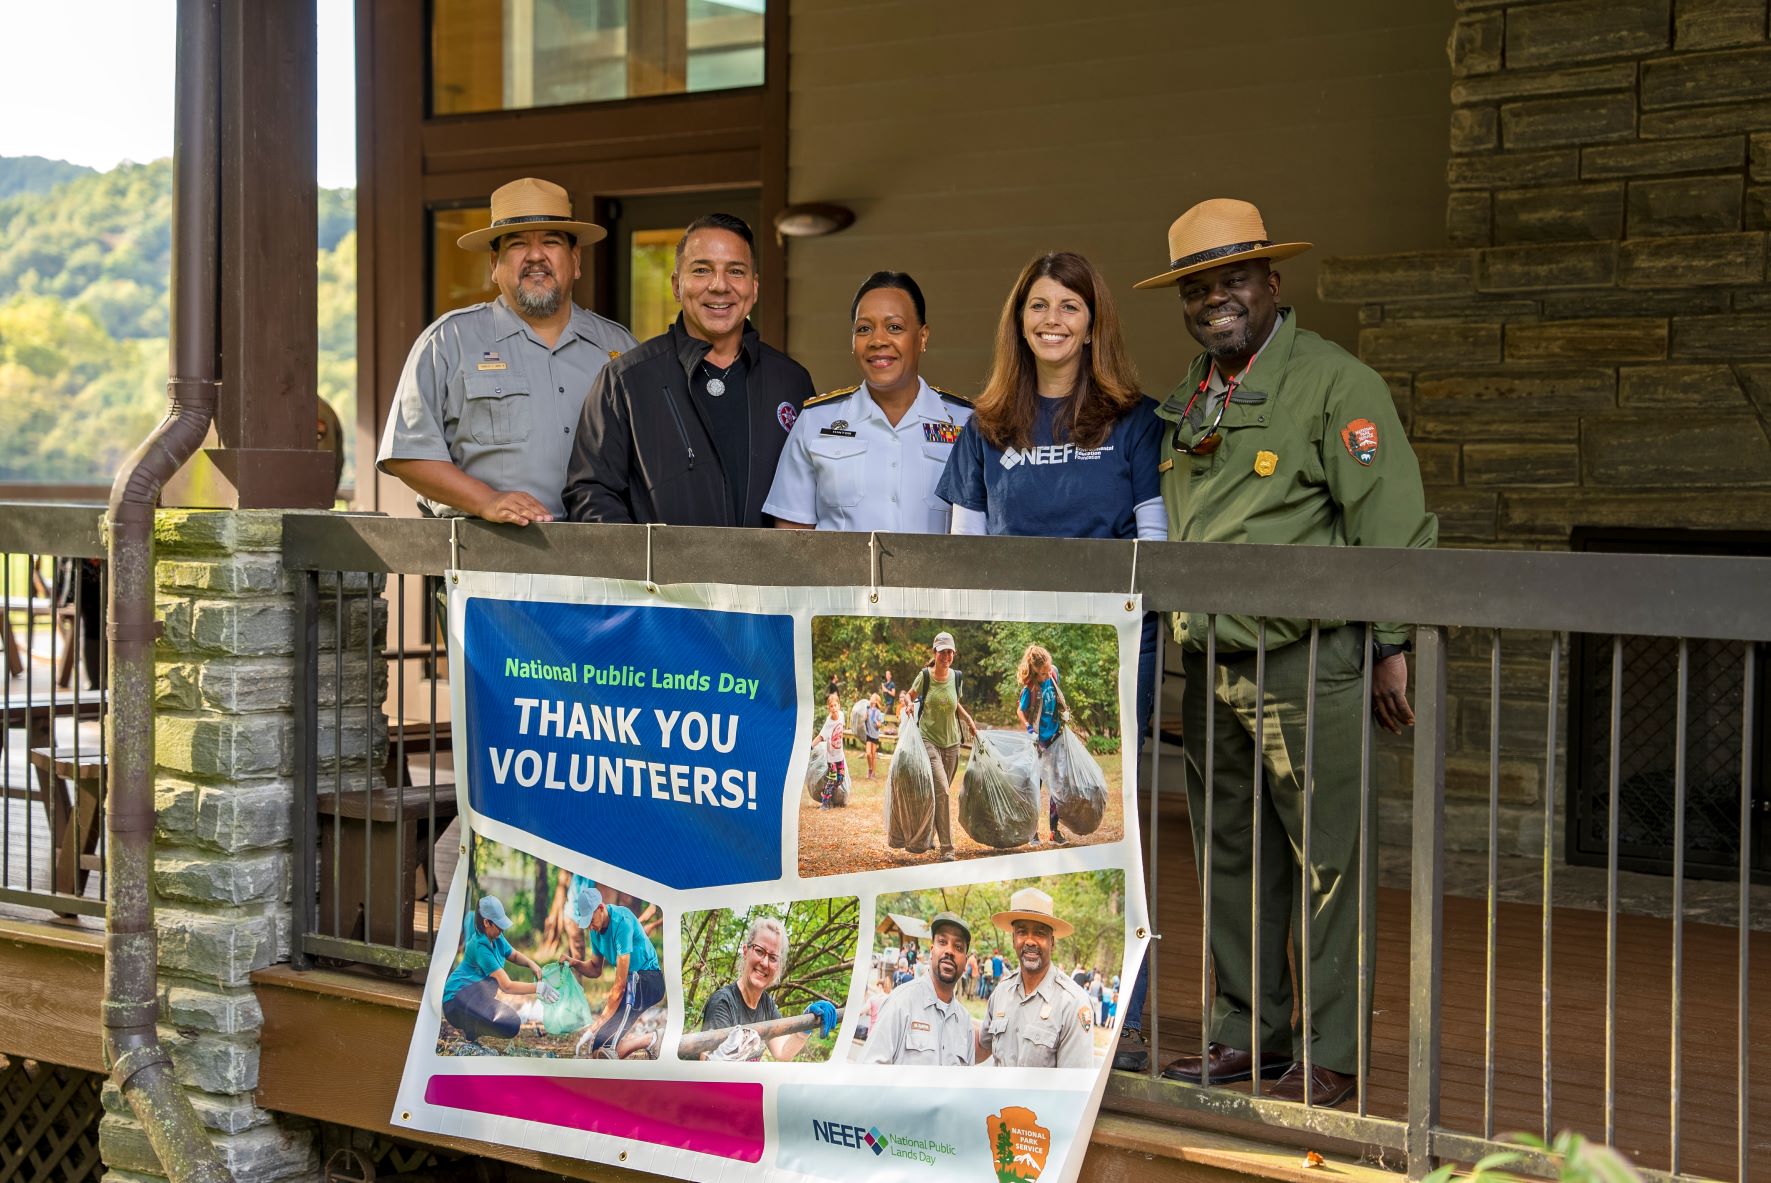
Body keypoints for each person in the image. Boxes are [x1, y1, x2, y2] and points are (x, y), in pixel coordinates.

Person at [1136, 198, 1437, 1107]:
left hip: (1307, 664)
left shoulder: (1336, 383)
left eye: (1231, 279)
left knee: (1327, 862)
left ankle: (1331, 1052)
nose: (1213, 299)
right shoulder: (1191, 393)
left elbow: (1388, 523)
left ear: (1272, 281)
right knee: (1228, 855)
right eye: (1196, 287)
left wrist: (1390, 646)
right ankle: (1246, 1034)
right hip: (1212, 661)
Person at [935, 250, 1164, 752]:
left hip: (1115, 632)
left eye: (1070, 306)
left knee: (1120, 788)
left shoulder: (1138, 420)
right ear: (1019, 323)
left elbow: (1155, 545)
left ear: (1091, 326)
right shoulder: (984, 426)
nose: (1052, 320)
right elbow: (964, 556)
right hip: (1018, 629)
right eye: (1038, 306)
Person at [377, 177, 636, 525]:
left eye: (551, 241)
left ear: (576, 259)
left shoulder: (619, 348)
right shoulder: (448, 340)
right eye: (516, 244)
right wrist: (487, 500)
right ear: (494, 264)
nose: (535, 256)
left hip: (599, 565)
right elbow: (406, 454)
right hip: (488, 563)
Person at [563, 212, 814, 526]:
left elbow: (810, 496)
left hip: (767, 575)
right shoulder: (626, 380)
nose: (719, 285)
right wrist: (644, 568)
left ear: (754, 287)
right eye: (702, 270)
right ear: (676, 286)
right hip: (660, 576)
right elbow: (592, 493)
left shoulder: (791, 381)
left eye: (735, 271)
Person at [764, 272, 973, 532]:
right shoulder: (815, 422)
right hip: (838, 575)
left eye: (894, 327)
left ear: (922, 337)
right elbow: (792, 535)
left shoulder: (966, 424)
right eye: (864, 329)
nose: (878, 340)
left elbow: (982, 533)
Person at [977, 888, 1094, 1069]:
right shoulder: (1001, 992)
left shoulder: (1072, 1003)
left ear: (1052, 942)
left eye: (1039, 933)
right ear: (1013, 939)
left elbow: (1073, 1085)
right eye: (1022, 932)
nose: (1030, 941)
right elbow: (984, 1046)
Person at [700, 916, 837, 1062]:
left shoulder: (766, 1005)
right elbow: (707, 1065)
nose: (765, 963)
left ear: (778, 966)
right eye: (759, 951)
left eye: (773, 958)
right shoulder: (723, 1002)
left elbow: (782, 1051)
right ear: (746, 952)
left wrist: (806, 1024)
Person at [859, 912, 975, 1066]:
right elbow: (869, 1070)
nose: (949, 951)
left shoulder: (964, 1021)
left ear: (965, 961)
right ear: (932, 950)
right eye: (942, 941)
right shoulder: (900, 1002)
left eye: (958, 946)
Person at [441, 894, 556, 1044]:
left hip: (473, 997)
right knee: (505, 1017)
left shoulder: (496, 937)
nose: (502, 929)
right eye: (499, 925)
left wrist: (531, 963)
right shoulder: (480, 946)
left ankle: (471, 1034)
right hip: (455, 1001)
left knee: (511, 1023)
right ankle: (470, 1030)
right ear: (487, 923)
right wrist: (539, 988)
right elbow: (507, 986)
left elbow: (513, 955)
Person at [907, 631, 979, 862]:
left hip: (952, 744)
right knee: (943, 791)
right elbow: (909, 695)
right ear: (934, 652)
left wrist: (968, 721)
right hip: (929, 740)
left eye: (950, 652)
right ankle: (947, 849)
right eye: (942, 652)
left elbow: (955, 703)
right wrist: (908, 705)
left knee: (939, 795)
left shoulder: (956, 677)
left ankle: (928, 836)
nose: (946, 656)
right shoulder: (924, 676)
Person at [581, 896, 667, 1057]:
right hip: (631, 984)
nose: (590, 927)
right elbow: (594, 969)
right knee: (598, 1047)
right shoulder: (595, 931)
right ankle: (653, 1040)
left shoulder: (622, 921)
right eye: (586, 923)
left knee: (605, 1046)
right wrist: (574, 963)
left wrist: (598, 1023)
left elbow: (619, 985)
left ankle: (652, 1039)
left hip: (647, 980)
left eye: (591, 920)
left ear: (601, 907)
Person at [1016, 644, 1076, 846]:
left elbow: (1057, 695)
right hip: (1038, 744)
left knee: (1057, 787)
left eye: (1048, 669)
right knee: (1035, 787)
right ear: (1034, 672)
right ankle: (1032, 832)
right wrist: (1028, 728)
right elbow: (1020, 711)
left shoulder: (1053, 674)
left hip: (1056, 739)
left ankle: (1054, 831)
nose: (1047, 674)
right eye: (1042, 673)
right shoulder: (1031, 687)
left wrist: (1063, 714)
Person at [813, 693, 847, 809]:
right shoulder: (829, 723)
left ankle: (825, 792)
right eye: (831, 706)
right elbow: (821, 736)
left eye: (835, 705)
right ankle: (825, 803)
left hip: (840, 755)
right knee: (832, 779)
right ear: (829, 708)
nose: (833, 708)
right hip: (831, 757)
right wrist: (811, 746)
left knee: (840, 778)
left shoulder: (842, 715)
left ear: (839, 705)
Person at [863, 693, 885, 779]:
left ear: (876, 701)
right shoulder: (867, 709)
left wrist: (876, 722)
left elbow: (880, 725)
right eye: (871, 697)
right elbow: (864, 719)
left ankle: (873, 773)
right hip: (868, 734)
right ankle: (870, 769)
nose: (870, 698)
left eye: (872, 697)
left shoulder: (878, 712)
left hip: (875, 735)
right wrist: (866, 716)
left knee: (873, 754)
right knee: (868, 754)